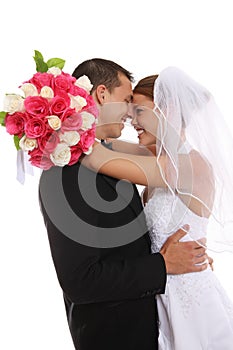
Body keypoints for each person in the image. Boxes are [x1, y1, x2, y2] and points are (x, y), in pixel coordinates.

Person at [38, 59, 208, 350]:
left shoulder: (164, 164)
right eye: (128, 101)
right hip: (115, 334)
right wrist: (62, 127)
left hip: (168, 309)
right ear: (102, 94)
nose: (130, 114)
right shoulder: (70, 171)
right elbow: (81, 281)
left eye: (138, 108)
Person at [83, 67, 233, 349]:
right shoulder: (160, 157)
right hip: (161, 294)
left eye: (139, 111)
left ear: (169, 110)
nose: (131, 120)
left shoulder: (189, 165)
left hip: (191, 300)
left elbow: (97, 157)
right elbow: (104, 144)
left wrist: (60, 126)